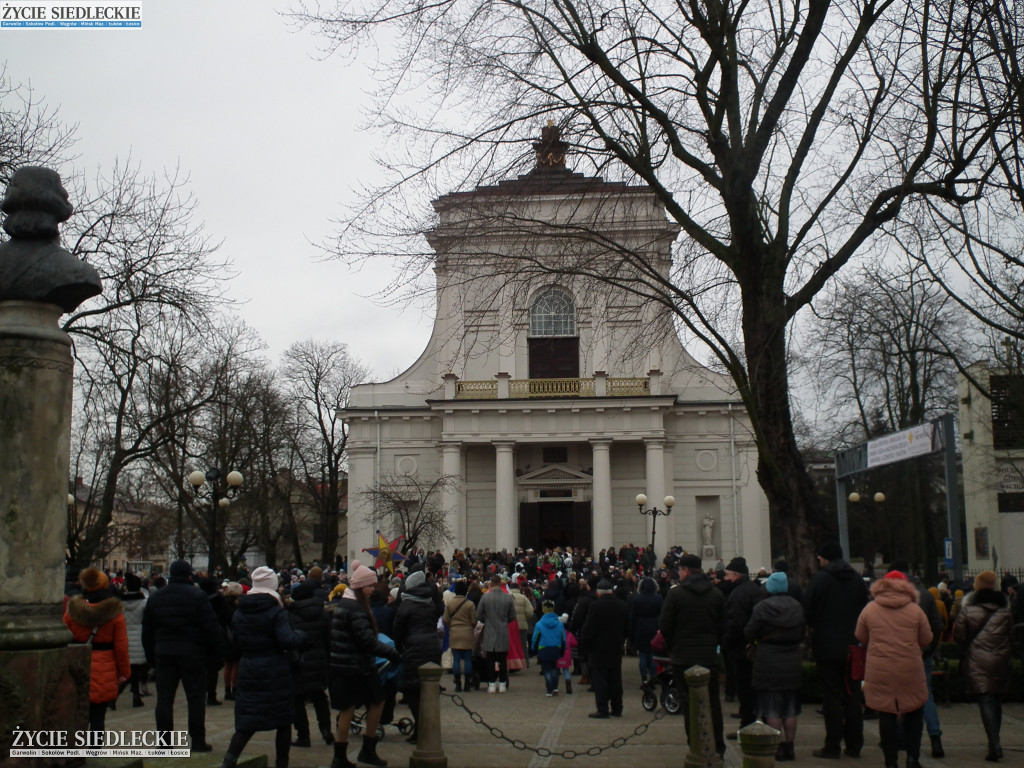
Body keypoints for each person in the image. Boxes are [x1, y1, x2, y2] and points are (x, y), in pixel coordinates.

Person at [220, 567, 307, 768]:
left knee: (247, 720)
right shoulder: (276, 611)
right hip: (275, 668)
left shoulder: (240, 610)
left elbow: (235, 641)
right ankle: (281, 763)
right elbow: (287, 640)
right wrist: (302, 635)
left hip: (249, 667)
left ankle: (229, 760)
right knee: (283, 721)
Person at [142, 559, 224, 752]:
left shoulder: (156, 597)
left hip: (164, 652)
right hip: (192, 653)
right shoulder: (198, 596)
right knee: (195, 698)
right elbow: (211, 628)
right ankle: (197, 740)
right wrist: (217, 654)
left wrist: (151, 656)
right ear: (189, 574)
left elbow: (147, 630)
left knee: (164, 699)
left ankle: (164, 743)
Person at [855, 570, 932, 768]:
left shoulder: (870, 609)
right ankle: (913, 758)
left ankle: (890, 761)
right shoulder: (915, 610)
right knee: (914, 710)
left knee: (886, 712)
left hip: (880, 667)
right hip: (910, 666)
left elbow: (860, 636)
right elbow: (926, 639)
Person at [328, 562, 401, 768]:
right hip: (357, 666)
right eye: (369, 586)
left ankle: (341, 755)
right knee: (377, 701)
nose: (372, 590)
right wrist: (393, 654)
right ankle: (366, 750)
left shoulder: (344, 605)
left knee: (347, 709)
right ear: (360, 587)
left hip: (344, 665)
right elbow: (367, 640)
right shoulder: (356, 609)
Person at [803, 541, 869, 759]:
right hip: (852, 646)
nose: (818, 561)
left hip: (827, 645)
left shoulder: (821, 579)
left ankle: (832, 745)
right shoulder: (857, 579)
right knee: (852, 694)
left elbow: (808, 610)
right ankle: (854, 744)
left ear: (825, 558)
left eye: (820, 557)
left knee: (831, 696)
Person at [658, 553, 726, 755]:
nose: (678, 574)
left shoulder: (676, 594)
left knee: (688, 704)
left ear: (686, 571)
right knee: (712, 702)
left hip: (682, 657)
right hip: (707, 656)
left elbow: (665, 626)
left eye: (679, 570)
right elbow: (724, 626)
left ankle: (696, 745)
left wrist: (673, 647)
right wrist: (714, 644)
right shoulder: (715, 594)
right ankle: (718, 746)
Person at [953, 569, 1014, 762]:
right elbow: (1011, 636)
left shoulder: (968, 611)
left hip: (977, 658)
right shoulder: (1005, 611)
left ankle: (994, 743)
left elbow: (959, 637)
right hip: (1001, 658)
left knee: (985, 699)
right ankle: (995, 740)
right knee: (996, 698)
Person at [745, 571, 805, 761]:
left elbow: (749, 632)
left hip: (768, 658)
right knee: (789, 708)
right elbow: (802, 633)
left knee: (772, 708)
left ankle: (776, 745)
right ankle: (790, 745)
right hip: (792, 658)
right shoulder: (797, 606)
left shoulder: (762, 607)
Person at [64, 567, 130, 732]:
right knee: (98, 718)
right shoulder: (115, 614)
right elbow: (121, 646)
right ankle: (94, 752)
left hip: (77, 664)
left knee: (77, 714)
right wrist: (125, 672)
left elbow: (64, 636)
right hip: (104, 666)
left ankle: (76, 751)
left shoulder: (72, 610)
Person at [393, 569, 443, 743]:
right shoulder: (430, 604)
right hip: (432, 645)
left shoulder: (406, 605)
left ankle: (422, 729)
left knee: (412, 691)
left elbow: (397, 631)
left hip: (414, 648)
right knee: (428, 690)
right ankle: (430, 727)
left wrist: (400, 647)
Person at [288, 580, 334, 748]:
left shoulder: (292, 614)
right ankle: (326, 730)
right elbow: (329, 640)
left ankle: (303, 736)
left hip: (300, 660)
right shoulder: (323, 613)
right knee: (320, 697)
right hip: (319, 659)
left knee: (298, 699)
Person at [722, 556, 765, 735]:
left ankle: (747, 725)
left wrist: (725, 643)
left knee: (744, 688)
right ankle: (751, 720)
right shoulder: (755, 589)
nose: (726, 579)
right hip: (753, 645)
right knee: (752, 688)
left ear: (735, 574)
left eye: (728, 575)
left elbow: (736, 623)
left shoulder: (739, 593)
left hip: (741, 648)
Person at [580, 579, 628, 718]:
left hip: (598, 648)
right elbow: (627, 627)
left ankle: (602, 709)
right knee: (615, 679)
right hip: (615, 646)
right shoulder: (622, 605)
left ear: (598, 593)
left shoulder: (595, 606)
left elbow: (589, 629)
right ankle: (617, 707)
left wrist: (586, 645)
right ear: (612, 592)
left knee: (600, 681)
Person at [477, 574, 517, 693]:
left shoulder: (485, 597)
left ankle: (491, 684)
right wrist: (504, 621)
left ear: (491, 584)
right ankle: (503, 684)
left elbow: (478, 615)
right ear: (500, 583)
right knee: (502, 660)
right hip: (503, 631)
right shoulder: (508, 598)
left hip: (490, 630)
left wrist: (486, 621)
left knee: (490, 660)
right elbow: (512, 616)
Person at [442, 579, 478, 692]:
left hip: (454, 632)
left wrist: (451, 626)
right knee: (467, 659)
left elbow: (445, 619)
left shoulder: (450, 603)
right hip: (467, 632)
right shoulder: (469, 604)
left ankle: (458, 684)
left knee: (456, 659)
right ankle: (466, 684)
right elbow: (474, 620)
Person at [628, 576, 663, 685]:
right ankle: (653, 677)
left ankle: (644, 679)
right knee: (652, 655)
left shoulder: (637, 598)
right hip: (654, 626)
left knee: (642, 654)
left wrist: (631, 632)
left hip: (640, 627)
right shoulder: (658, 598)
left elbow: (632, 616)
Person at [121, 572, 149, 708]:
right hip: (140, 637)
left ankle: (132, 694)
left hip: (124, 637)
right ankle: (135, 695)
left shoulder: (120, 603)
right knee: (136, 670)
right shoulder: (144, 602)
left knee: (127, 670)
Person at [531, 599, 567, 696]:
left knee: (546, 669)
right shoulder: (559, 624)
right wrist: (564, 649)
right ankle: (555, 687)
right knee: (555, 669)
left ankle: (549, 688)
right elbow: (563, 637)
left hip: (543, 648)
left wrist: (533, 648)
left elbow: (535, 638)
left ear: (543, 610)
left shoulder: (539, 624)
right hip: (556, 648)